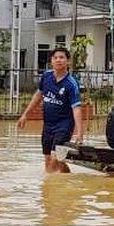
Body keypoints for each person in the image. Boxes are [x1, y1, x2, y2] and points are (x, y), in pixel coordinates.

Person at [17, 46, 85, 174]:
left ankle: (60, 180)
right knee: (48, 160)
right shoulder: (46, 76)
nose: (58, 60)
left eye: (62, 57)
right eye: (55, 58)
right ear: (51, 61)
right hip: (48, 125)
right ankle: (50, 188)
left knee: (55, 159)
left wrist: (79, 134)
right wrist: (25, 115)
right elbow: (38, 95)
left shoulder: (71, 83)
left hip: (64, 125)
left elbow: (76, 108)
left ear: (68, 61)